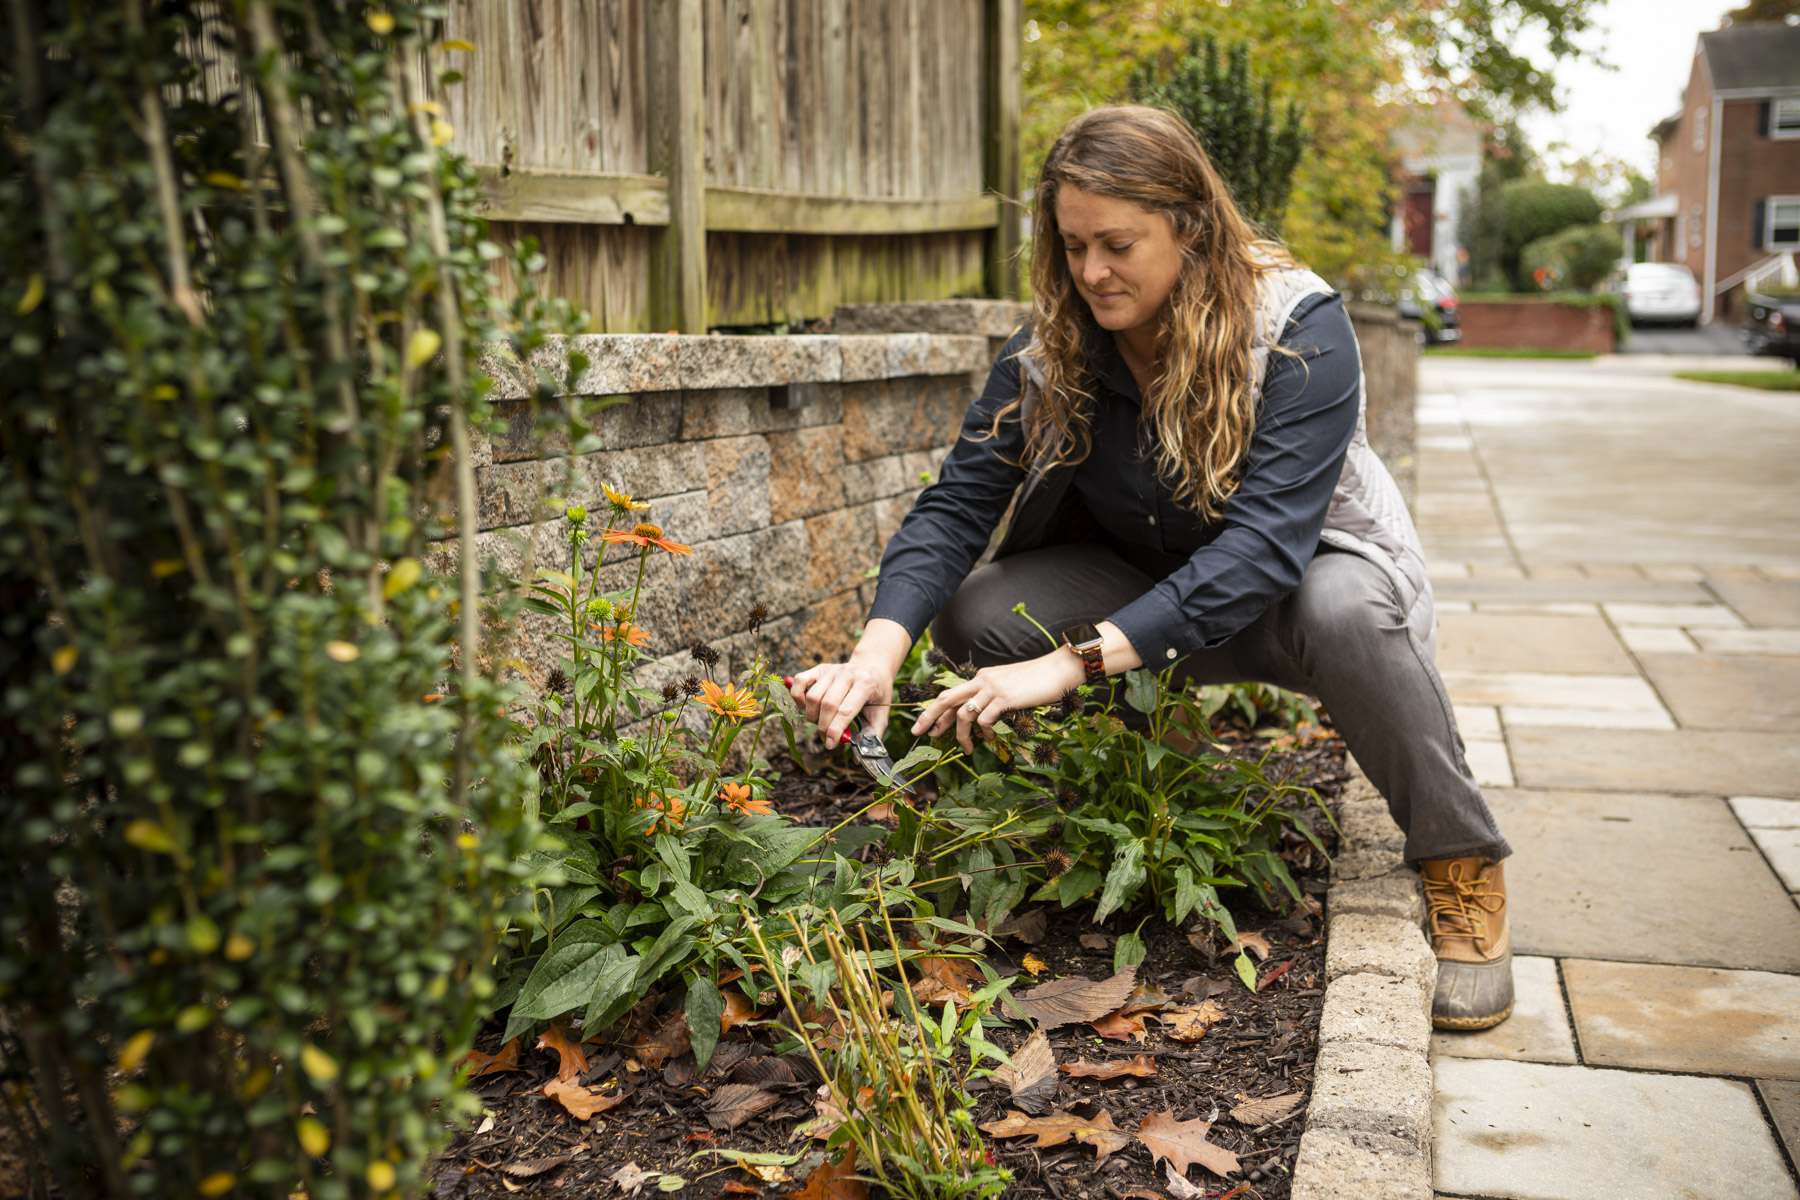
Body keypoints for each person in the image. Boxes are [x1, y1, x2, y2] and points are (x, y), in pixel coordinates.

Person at [785, 105, 1514, 1032]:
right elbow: (959, 504)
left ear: (1192, 227)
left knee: (1346, 609)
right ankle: (1137, 780)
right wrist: (875, 657)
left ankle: (1461, 861)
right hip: (1141, 598)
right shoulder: (1053, 348)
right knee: (982, 613)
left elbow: (1263, 549)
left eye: (1118, 244)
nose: (1091, 271)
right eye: (1074, 245)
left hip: (1297, 592)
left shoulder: (1299, 327)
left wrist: (1067, 665)